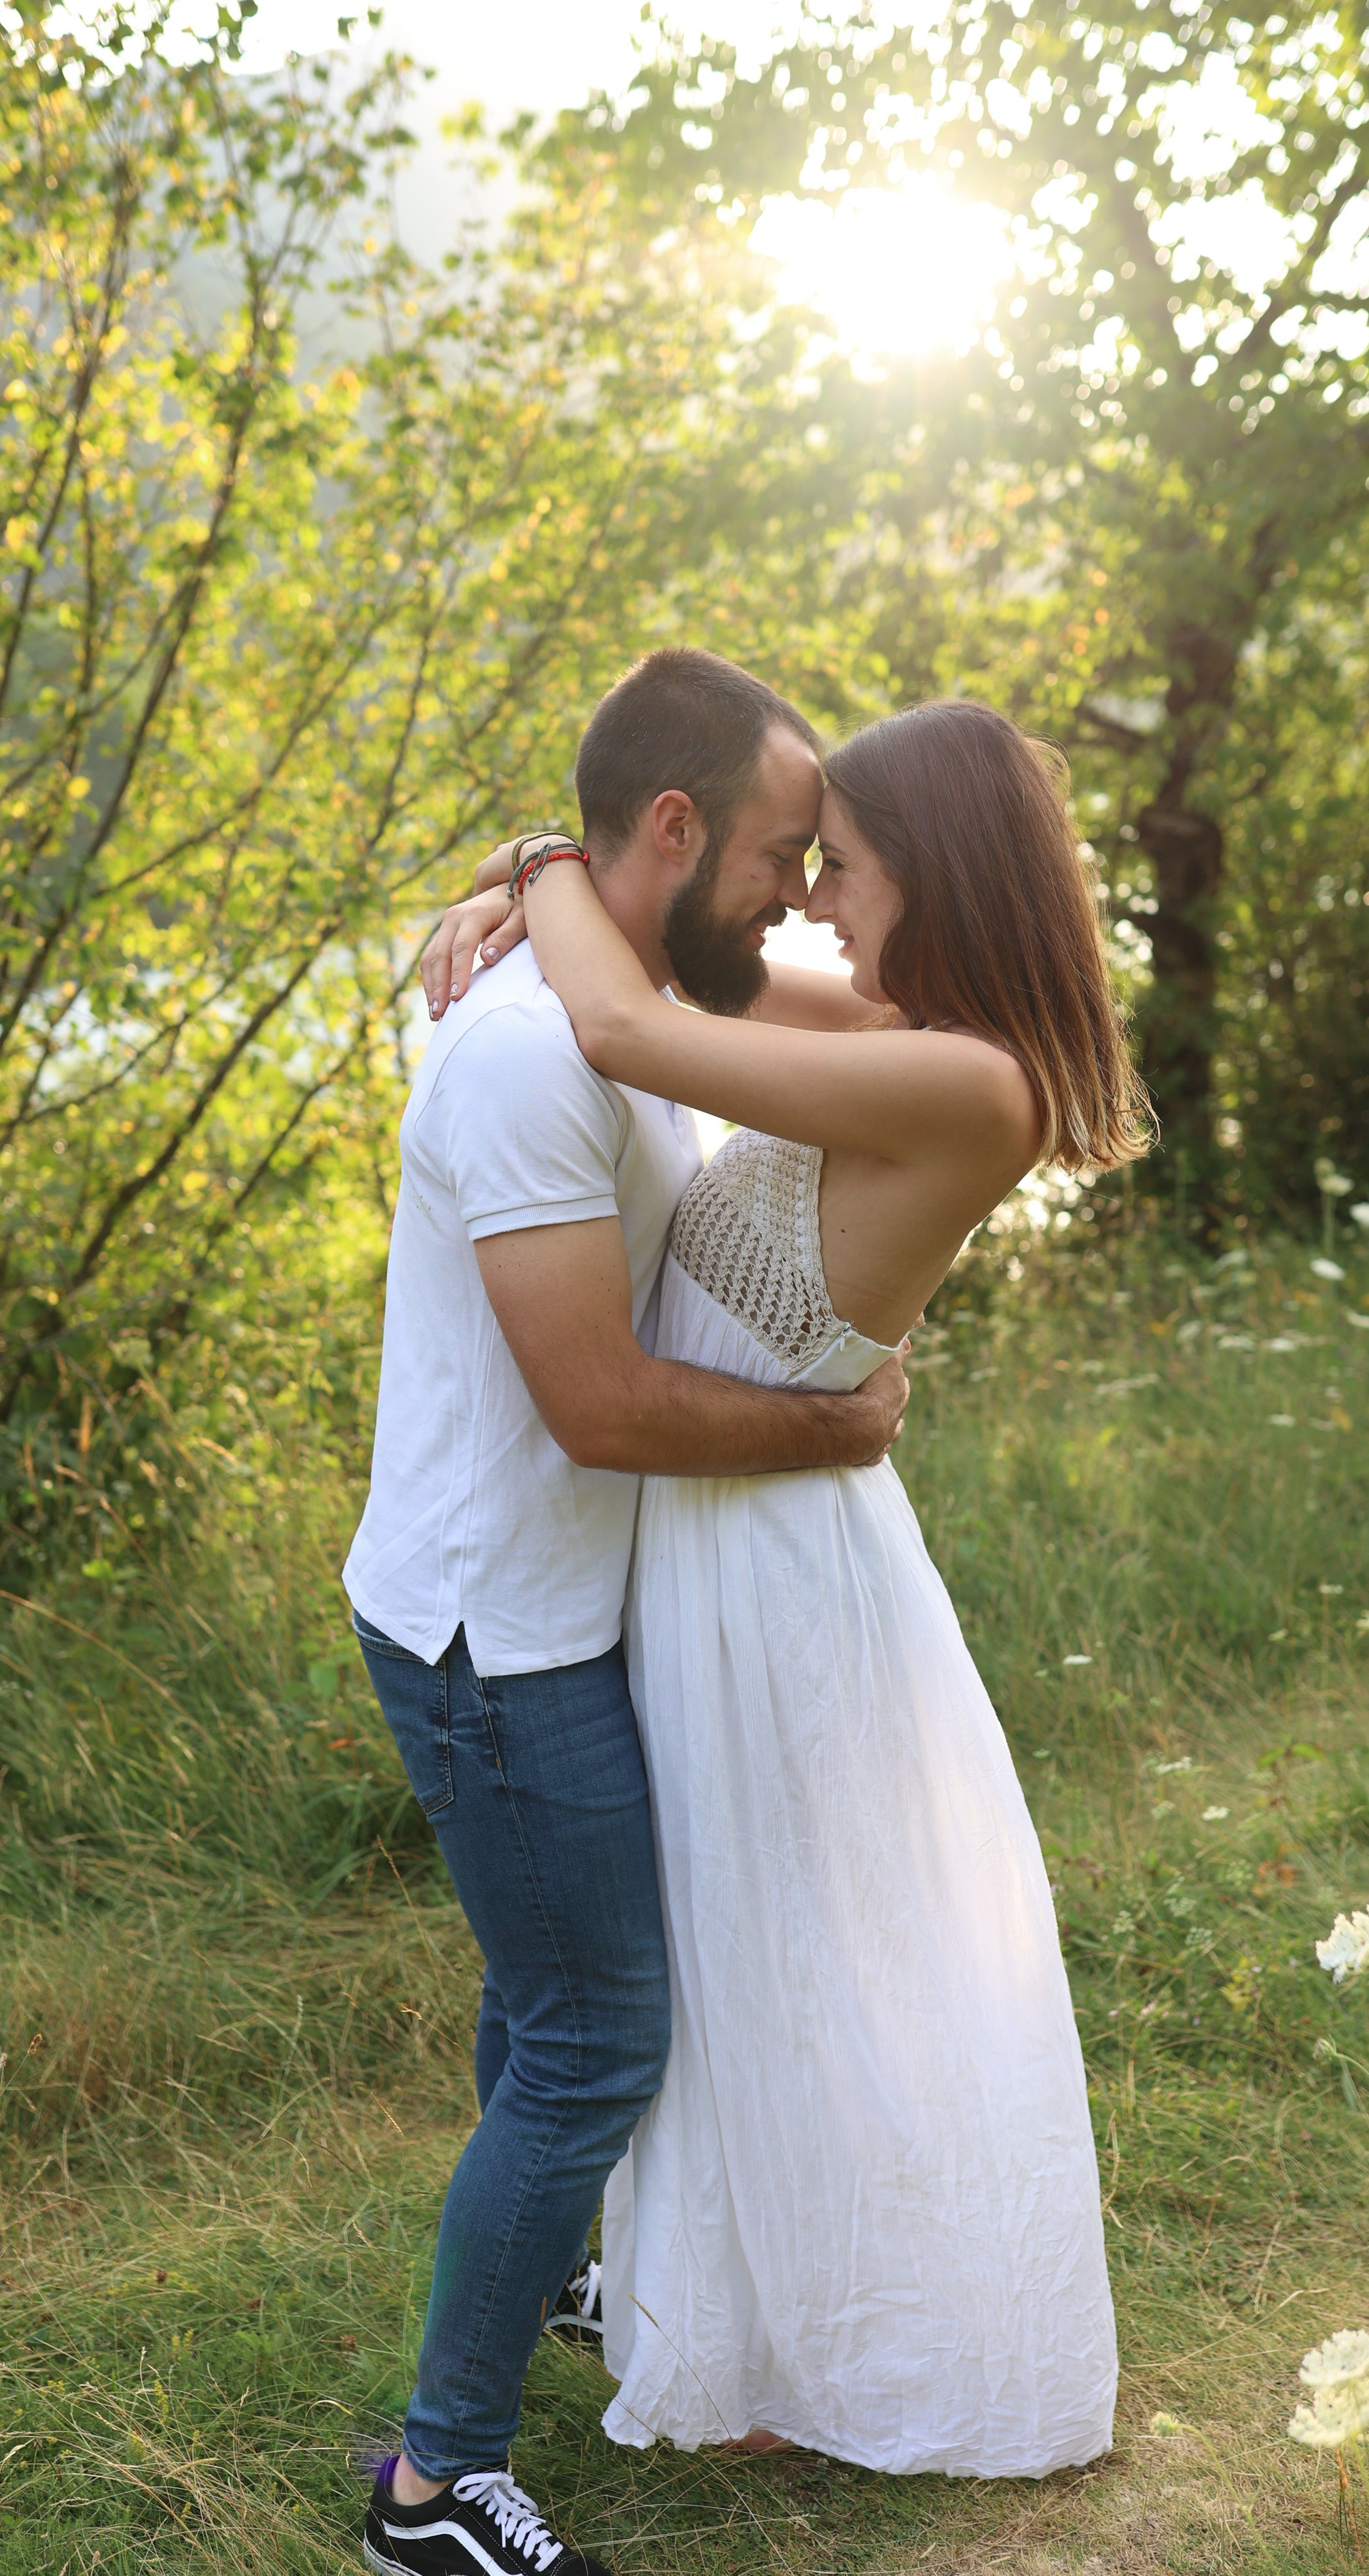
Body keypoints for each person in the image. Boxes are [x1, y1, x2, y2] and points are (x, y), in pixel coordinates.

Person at [425, 690, 1148, 2478]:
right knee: (741, 1958)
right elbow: (672, 974)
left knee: (787, 1961)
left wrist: (536, 866)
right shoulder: (901, 1019)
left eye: (851, 868)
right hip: (714, 1533)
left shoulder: (967, 1077)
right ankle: (731, 2315)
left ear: (945, 875)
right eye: (810, 862)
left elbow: (618, 1017)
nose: (819, 902)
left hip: (763, 1564)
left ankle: (829, 2349)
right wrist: (556, 873)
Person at [343, 650, 912, 2576]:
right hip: (494, 1634)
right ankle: (431, 2489)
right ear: (669, 832)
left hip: (556, 1608)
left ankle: (541, 2293)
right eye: (774, 855)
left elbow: (888, 1010)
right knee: (596, 2037)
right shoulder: (523, 1056)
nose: (792, 891)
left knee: (550, 2004)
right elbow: (595, 1401)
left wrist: (535, 863)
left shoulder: (653, 989)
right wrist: (827, 1427)